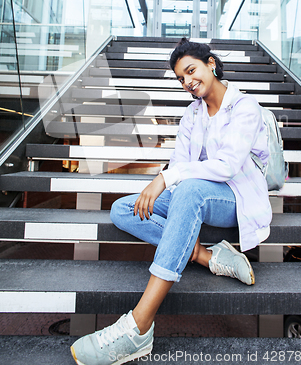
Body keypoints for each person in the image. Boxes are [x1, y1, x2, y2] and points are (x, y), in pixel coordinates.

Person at [70, 38, 272, 365]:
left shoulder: (245, 107)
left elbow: (227, 166)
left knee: (188, 190)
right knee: (125, 208)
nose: (188, 82)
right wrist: (166, 182)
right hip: (194, 194)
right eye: (181, 78)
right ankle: (206, 255)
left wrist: (165, 178)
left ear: (211, 64)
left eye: (191, 71)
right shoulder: (191, 115)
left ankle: (138, 326)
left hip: (236, 198)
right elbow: (180, 163)